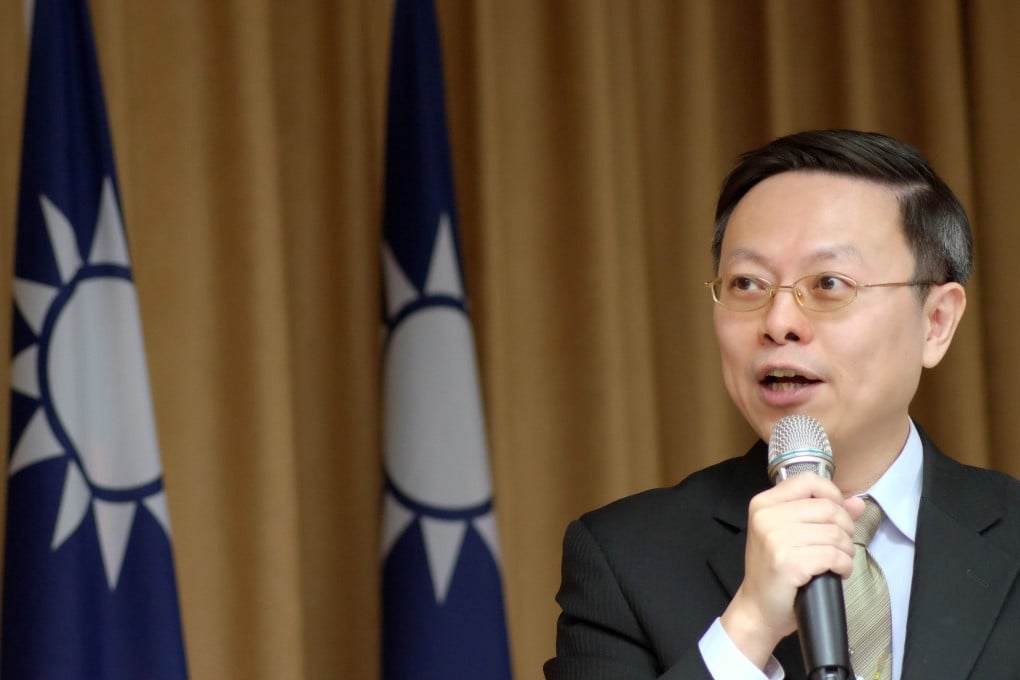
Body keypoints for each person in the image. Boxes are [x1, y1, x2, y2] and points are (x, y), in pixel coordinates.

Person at [543, 129, 1020, 680]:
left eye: (829, 283)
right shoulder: (624, 559)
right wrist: (746, 630)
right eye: (747, 283)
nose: (778, 323)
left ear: (935, 322)